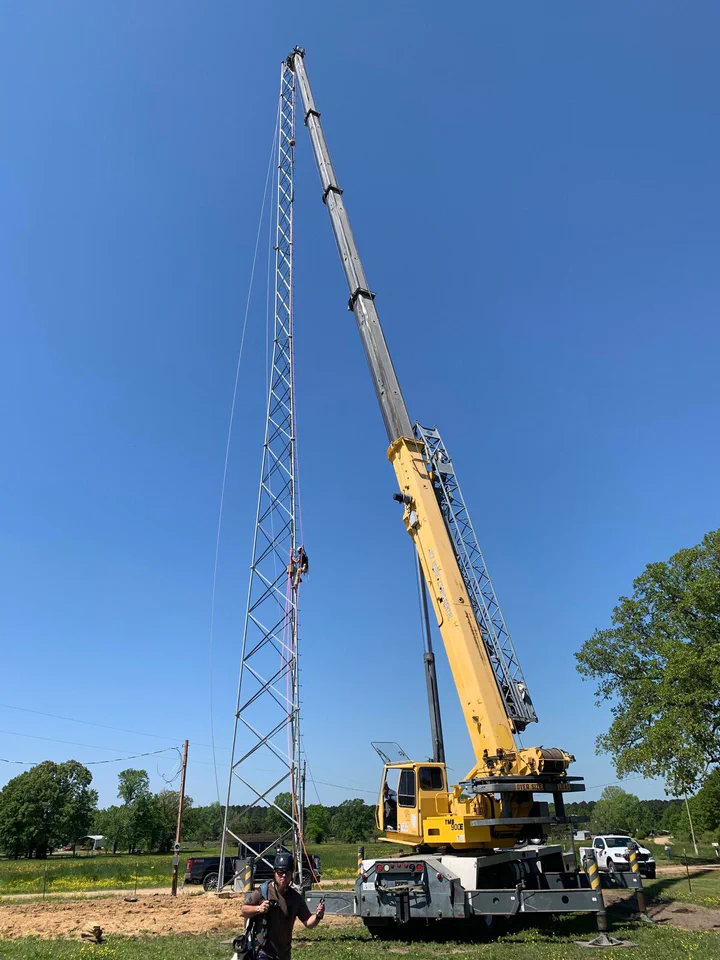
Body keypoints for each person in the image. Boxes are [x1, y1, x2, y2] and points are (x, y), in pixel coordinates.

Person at [240, 851, 325, 960]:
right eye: (280, 872)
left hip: (283, 954)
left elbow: (308, 922)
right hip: (262, 952)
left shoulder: (295, 898)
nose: (284, 875)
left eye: (287, 872)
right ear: (274, 873)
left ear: (292, 874)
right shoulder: (263, 891)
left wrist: (318, 915)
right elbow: (243, 910)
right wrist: (258, 908)